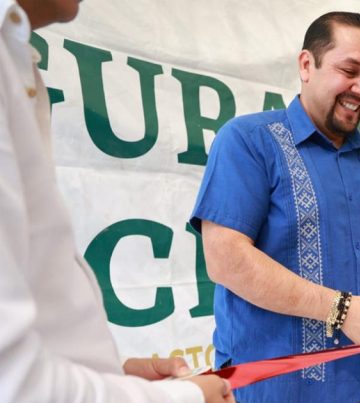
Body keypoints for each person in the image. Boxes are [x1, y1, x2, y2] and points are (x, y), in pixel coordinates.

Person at [189, 11, 360, 402]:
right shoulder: (248, 141)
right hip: (271, 390)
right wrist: (342, 310)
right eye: (349, 70)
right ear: (306, 65)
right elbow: (225, 258)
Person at [0, 0, 233, 402]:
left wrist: (116, 376)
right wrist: (186, 399)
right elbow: (13, 380)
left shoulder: (16, 57)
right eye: (349, 70)